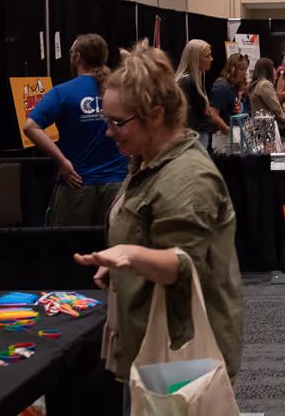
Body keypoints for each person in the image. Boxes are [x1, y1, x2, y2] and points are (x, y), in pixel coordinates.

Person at [73, 40, 243, 411]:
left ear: (154, 115)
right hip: (153, 346)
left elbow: (185, 266)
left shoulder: (187, 178)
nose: (109, 131)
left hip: (182, 355)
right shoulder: (147, 161)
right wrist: (120, 261)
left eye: (117, 122)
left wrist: (130, 254)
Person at [24, 34, 127, 226]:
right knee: (115, 249)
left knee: (71, 248)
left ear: (77, 57)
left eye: (71, 52)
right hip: (118, 185)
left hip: (77, 184)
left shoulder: (63, 92)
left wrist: (62, 162)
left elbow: (30, 127)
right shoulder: (122, 89)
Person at [174, 39, 215, 150]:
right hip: (194, 137)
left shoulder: (196, 81)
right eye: (207, 56)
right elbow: (187, 117)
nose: (211, 59)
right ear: (195, 59)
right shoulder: (186, 83)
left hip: (198, 136)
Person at [210, 53, 247, 154]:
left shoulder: (232, 87)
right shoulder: (222, 87)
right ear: (232, 69)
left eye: (245, 69)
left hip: (233, 135)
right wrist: (228, 130)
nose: (244, 73)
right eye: (241, 69)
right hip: (223, 137)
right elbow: (213, 114)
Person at [248, 57, 285, 126]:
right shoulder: (265, 84)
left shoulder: (256, 84)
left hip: (257, 124)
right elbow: (275, 108)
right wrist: (284, 121)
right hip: (266, 126)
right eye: (273, 67)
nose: (275, 70)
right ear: (267, 70)